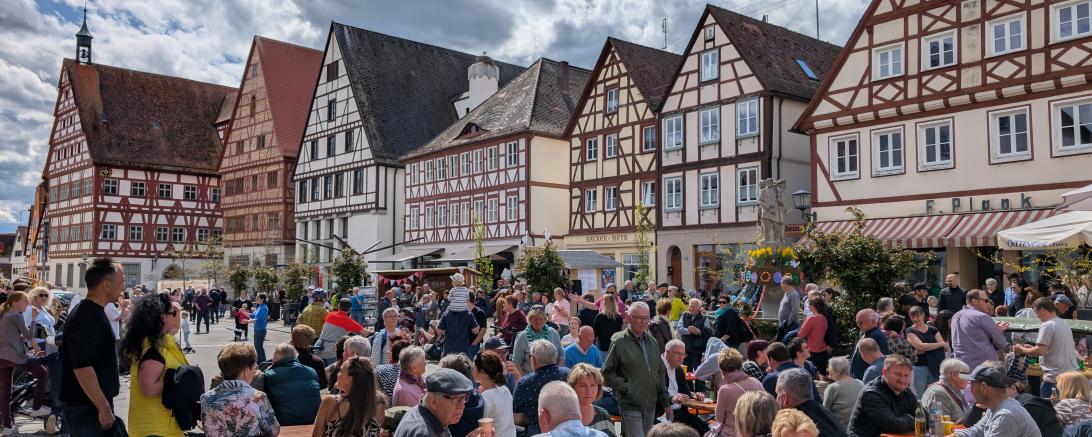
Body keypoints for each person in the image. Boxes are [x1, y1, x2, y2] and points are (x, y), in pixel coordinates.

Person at [60, 258, 124, 436]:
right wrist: (103, 407)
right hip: (86, 407)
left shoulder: (91, 312)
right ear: (106, 285)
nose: (123, 287)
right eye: (121, 282)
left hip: (89, 405)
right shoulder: (88, 317)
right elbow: (83, 367)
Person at [120, 292, 188, 437]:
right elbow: (148, 388)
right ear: (162, 317)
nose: (175, 317)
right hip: (154, 428)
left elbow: (175, 328)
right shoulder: (153, 349)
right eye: (173, 313)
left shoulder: (158, 340)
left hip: (162, 424)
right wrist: (180, 380)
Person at [602, 302, 671, 437]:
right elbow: (607, 371)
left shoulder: (652, 342)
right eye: (639, 318)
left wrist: (665, 402)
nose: (643, 322)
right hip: (630, 404)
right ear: (629, 318)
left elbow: (660, 372)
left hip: (650, 404)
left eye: (646, 318)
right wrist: (627, 389)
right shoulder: (619, 341)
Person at [200, 343, 280, 437]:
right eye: (255, 367)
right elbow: (273, 430)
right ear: (246, 370)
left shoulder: (206, 398)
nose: (255, 371)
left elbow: (208, 431)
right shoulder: (258, 397)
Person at [0, 291, 50, 434]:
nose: (27, 304)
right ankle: (36, 407)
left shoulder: (3, 315)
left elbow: (15, 336)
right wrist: (33, 319)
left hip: (2, 358)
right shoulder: (16, 315)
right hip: (16, 357)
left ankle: (8, 427)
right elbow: (29, 336)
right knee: (43, 373)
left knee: (5, 393)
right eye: (24, 301)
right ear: (15, 302)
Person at [1011, 297, 1078, 399]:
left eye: (1037, 313)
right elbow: (1050, 348)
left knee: (1049, 408)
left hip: (1055, 378)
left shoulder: (1047, 325)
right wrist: (1031, 349)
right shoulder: (1063, 323)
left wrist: (1022, 350)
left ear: (1042, 309)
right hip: (1071, 376)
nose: (1037, 317)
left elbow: (1040, 351)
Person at [955, 364, 1043, 437]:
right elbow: (978, 430)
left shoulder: (1004, 415)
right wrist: (957, 435)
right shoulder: (996, 406)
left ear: (984, 387)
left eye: (973, 385)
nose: (970, 389)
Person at [847, 355, 917, 437]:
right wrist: (910, 419)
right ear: (885, 372)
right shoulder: (871, 394)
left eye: (906, 375)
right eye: (898, 374)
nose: (902, 379)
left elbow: (924, 417)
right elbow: (896, 426)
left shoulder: (905, 391)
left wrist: (906, 421)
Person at [313, 355, 384, 437]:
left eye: (341, 371)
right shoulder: (379, 404)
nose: (338, 374)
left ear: (350, 380)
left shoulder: (330, 402)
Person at [512, 340, 571, 435]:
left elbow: (516, 418)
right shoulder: (569, 374)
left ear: (533, 359)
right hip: (568, 431)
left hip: (537, 432)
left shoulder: (525, 382)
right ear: (555, 356)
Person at [775, 368, 847, 437]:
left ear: (785, 398)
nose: (776, 398)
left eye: (777, 393)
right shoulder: (826, 414)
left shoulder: (793, 425)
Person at [709, 347, 764, 437]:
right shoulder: (755, 381)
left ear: (722, 369)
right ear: (740, 365)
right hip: (757, 431)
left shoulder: (725, 390)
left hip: (733, 433)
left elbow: (719, 418)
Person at [952, 289, 1010, 373]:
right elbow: (1001, 343)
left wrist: (996, 331)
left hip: (961, 367)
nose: (988, 303)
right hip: (984, 370)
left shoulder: (955, 316)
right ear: (974, 301)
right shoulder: (982, 316)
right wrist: (997, 332)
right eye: (986, 301)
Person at [658, 339, 709, 434]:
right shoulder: (657, 367)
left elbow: (686, 393)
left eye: (683, 354)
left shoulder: (679, 369)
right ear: (667, 352)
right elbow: (652, 394)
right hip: (661, 414)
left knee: (705, 429)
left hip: (679, 412)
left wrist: (694, 395)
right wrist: (672, 399)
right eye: (678, 353)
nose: (681, 357)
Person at [263, 343, 321, 425]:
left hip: (283, 423)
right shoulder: (312, 371)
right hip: (310, 421)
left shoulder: (269, 375)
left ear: (275, 358)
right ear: (295, 356)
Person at [535, 380, 609, 437]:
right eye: (582, 386)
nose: (588, 391)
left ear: (544, 417)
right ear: (579, 413)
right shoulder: (602, 435)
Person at [906, 306, 947, 397]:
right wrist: (939, 344)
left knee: (935, 395)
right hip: (919, 367)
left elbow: (945, 348)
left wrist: (927, 347)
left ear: (923, 315)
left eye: (918, 316)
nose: (916, 319)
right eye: (913, 317)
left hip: (936, 367)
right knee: (919, 396)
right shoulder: (910, 330)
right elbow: (920, 346)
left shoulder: (933, 329)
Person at [566, 363, 617, 437]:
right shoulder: (560, 417)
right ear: (572, 387)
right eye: (583, 386)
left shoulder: (603, 415)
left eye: (593, 385)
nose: (589, 391)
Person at [474, 351, 517, 437]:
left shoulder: (485, 397)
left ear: (482, 372)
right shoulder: (505, 390)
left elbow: (483, 427)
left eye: (474, 367)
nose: (471, 370)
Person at [513, 308, 563, 374]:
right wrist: (524, 378)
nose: (538, 322)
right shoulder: (522, 337)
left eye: (541, 319)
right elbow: (516, 362)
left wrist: (557, 372)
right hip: (531, 376)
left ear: (545, 319)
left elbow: (561, 355)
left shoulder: (553, 333)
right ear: (530, 320)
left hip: (552, 375)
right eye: (535, 319)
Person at [920, 358, 971, 424]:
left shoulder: (957, 391)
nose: (968, 379)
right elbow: (940, 424)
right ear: (954, 375)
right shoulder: (938, 392)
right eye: (966, 375)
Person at [317, 299, 366, 364]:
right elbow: (365, 332)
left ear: (338, 306)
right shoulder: (348, 321)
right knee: (333, 369)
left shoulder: (330, 315)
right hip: (330, 351)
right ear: (350, 308)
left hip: (318, 346)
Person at [822, 356, 863, 431]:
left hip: (841, 430)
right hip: (860, 429)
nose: (827, 370)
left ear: (837, 371)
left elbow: (825, 413)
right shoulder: (861, 383)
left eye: (829, 368)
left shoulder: (832, 388)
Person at [850, 308, 888, 379]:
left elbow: (881, 360)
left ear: (873, 321)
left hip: (867, 377)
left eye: (860, 322)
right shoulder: (868, 333)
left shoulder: (876, 336)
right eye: (857, 322)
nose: (858, 325)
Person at [796, 296, 828, 374]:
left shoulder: (811, 318)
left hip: (811, 352)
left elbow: (800, 335)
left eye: (809, 304)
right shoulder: (824, 318)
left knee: (809, 375)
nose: (808, 306)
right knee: (821, 376)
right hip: (823, 351)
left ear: (814, 306)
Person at [291, 324, 328, 390]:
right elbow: (322, 385)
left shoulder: (284, 358)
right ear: (311, 340)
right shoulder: (318, 362)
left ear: (293, 338)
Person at [376, 335, 412, 402]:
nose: (388, 352)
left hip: (384, 406)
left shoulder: (379, 370)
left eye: (390, 349)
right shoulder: (414, 373)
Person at [680, 298, 711, 373]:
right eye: (690, 306)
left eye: (693, 307)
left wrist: (699, 332)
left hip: (698, 349)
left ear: (699, 308)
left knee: (698, 372)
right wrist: (690, 331)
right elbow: (679, 329)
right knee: (686, 372)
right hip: (686, 348)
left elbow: (709, 332)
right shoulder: (684, 315)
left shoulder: (704, 318)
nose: (691, 308)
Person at [776, 277, 801, 342]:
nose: (781, 286)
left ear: (785, 284)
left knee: (789, 343)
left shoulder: (794, 294)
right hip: (786, 325)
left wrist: (787, 323)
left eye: (781, 284)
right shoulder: (786, 294)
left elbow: (795, 310)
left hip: (791, 325)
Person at [249, 293, 270, 363]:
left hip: (260, 330)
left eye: (257, 298)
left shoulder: (264, 308)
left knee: (259, 347)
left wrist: (247, 321)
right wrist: (243, 312)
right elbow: (252, 315)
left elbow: (257, 320)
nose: (256, 299)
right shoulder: (259, 306)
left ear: (262, 299)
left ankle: (263, 362)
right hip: (257, 329)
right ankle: (260, 362)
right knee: (257, 347)